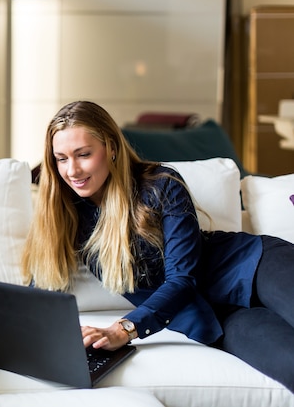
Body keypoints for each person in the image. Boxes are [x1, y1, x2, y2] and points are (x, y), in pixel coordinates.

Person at [22, 100, 294, 392]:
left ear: (111, 148)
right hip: (219, 318)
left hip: (256, 263)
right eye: (61, 158)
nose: (72, 170)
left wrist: (124, 329)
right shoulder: (66, 213)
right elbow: (41, 291)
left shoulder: (161, 185)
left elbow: (182, 280)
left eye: (83, 154)